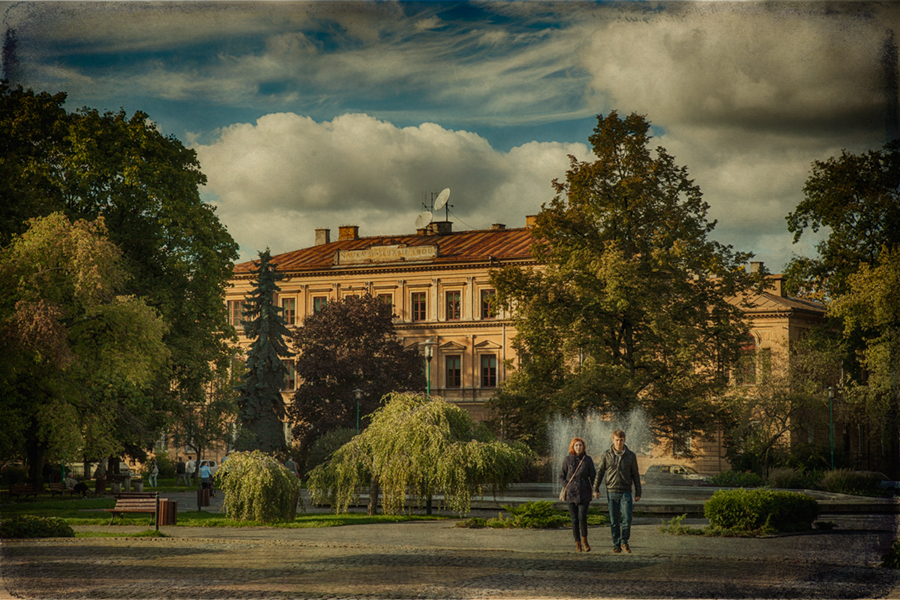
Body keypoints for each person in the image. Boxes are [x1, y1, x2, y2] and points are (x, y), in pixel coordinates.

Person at [593, 430, 642, 554]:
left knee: (627, 518)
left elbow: (635, 474)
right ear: (612, 440)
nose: (619, 442)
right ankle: (616, 544)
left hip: (626, 491)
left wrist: (638, 492)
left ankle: (624, 541)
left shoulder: (630, 455)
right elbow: (600, 473)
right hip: (612, 490)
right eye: (616, 439)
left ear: (624, 440)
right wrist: (595, 488)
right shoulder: (606, 455)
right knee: (614, 520)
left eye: (621, 440)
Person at [558, 437, 596, 553]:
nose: (578, 447)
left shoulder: (588, 460)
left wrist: (595, 489)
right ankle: (577, 543)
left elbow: (593, 476)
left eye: (580, 445)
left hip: (584, 492)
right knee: (574, 519)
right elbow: (561, 476)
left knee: (582, 517)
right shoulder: (567, 460)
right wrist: (567, 485)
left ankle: (585, 541)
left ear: (583, 447)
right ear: (572, 447)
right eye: (576, 445)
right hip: (571, 493)